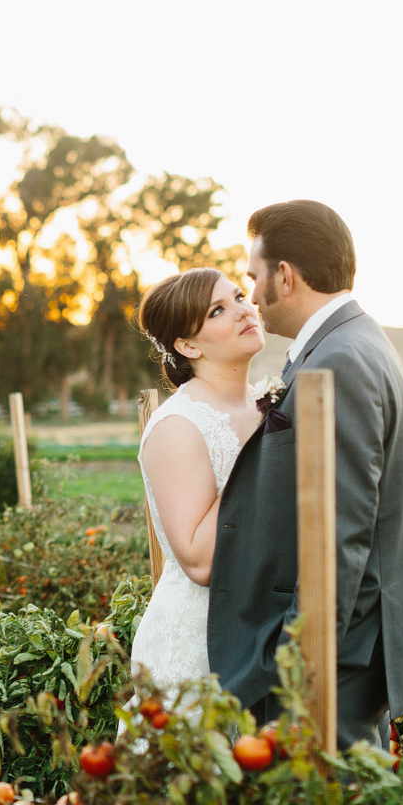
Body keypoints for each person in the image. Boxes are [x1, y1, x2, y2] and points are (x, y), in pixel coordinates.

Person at [207, 200, 403, 750]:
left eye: (253, 277)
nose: (253, 295)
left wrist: (300, 655)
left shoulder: (341, 359)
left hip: (338, 653)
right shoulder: (349, 343)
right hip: (347, 645)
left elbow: (341, 531)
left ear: (284, 276)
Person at [129, 267, 265, 689]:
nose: (244, 311)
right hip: (198, 648)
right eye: (218, 310)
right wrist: (259, 454)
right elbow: (200, 560)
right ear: (187, 345)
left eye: (240, 297)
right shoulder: (179, 425)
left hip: (264, 637)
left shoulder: (269, 404)